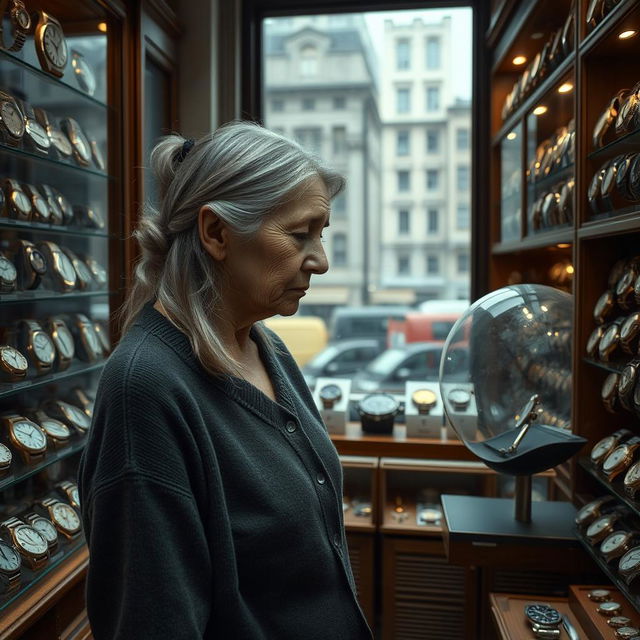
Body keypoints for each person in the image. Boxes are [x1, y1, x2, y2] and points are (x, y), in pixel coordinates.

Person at [77, 121, 373, 640]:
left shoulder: (266, 346)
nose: (321, 261)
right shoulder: (146, 390)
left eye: (320, 235)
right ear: (217, 233)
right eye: (300, 233)